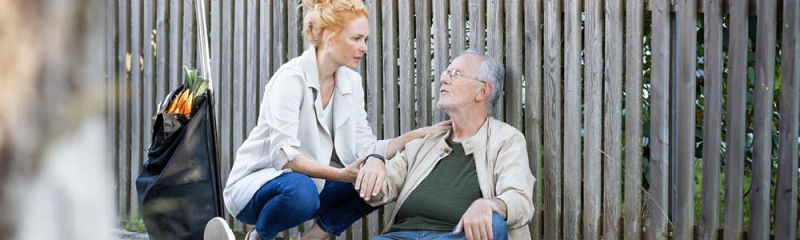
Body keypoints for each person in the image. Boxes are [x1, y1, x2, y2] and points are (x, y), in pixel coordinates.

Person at [203, 0, 449, 239]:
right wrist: (342, 175)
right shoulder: (291, 78)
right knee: (301, 191)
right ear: (330, 36)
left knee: (376, 180)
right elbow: (286, 158)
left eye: (365, 39)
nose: (364, 47)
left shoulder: (351, 82)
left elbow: (365, 148)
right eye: (356, 38)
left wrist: (416, 135)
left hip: (311, 186)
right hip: (259, 186)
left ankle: (311, 238)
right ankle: (259, 237)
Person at [355, 50, 536, 240]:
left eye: (456, 74)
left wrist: (489, 205)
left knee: (494, 223)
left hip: (455, 236)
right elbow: (379, 191)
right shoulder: (427, 141)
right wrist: (374, 161)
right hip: (400, 236)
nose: (444, 79)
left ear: (482, 91)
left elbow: (520, 201)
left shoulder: (506, 140)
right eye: (446, 73)